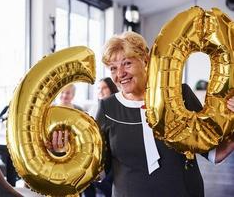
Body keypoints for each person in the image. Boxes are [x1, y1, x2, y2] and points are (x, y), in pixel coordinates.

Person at [49, 31, 234, 197]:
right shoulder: (107, 108)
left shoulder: (180, 94)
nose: (120, 73)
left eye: (126, 63)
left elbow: (214, 153)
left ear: (145, 60)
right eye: (113, 68)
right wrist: (66, 152)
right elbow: (99, 170)